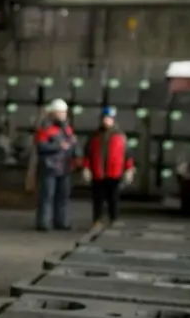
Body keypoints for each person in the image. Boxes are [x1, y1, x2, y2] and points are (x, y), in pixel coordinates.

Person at [82, 105, 135, 225]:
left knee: (113, 199)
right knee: (97, 200)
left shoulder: (121, 136)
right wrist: (86, 168)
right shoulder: (94, 136)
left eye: (109, 118)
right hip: (97, 173)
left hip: (114, 174)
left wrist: (129, 169)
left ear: (113, 120)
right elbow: (88, 154)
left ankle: (113, 220)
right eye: (105, 118)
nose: (107, 121)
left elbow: (128, 155)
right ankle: (97, 220)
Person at [34, 97, 77, 231]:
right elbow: (41, 147)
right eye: (59, 112)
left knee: (63, 196)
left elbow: (72, 145)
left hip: (64, 167)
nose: (62, 115)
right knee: (47, 196)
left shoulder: (67, 130)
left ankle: (61, 221)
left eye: (64, 112)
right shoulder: (45, 129)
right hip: (50, 167)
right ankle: (44, 222)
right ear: (52, 113)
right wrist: (58, 146)